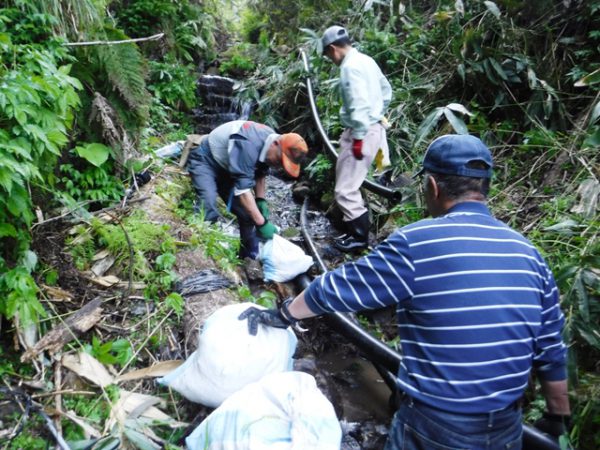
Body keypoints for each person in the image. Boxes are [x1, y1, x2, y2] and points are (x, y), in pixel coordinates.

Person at [239, 134, 571, 449]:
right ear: (485, 188)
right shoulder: (529, 254)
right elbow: (551, 348)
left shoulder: (418, 242)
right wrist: (557, 416)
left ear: (432, 186)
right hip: (506, 427)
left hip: (435, 424)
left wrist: (283, 313)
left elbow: (341, 288)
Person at [186, 120, 308, 260]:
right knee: (208, 204)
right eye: (280, 160)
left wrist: (260, 200)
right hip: (206, 160)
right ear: (276, 144)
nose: (279, 166)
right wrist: (262, 223)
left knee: (247, 215)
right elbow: (243, 191)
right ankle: (196, 250)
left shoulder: (269, 142)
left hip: (230, 170)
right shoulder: (248, 144)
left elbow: (260, 173)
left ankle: (247, 257)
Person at [321, 25, 393, 252]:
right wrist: (377, 113)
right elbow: (386, 90)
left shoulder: (349, 67)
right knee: (358, 181)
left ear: (333, 49)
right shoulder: (366, 60)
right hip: (377, 128)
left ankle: (359, 238)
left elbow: (358, 103)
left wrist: (359, 136)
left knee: (345, 190)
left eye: (328, 55)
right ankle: (360, 234)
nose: (330, 60)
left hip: (362, 132)